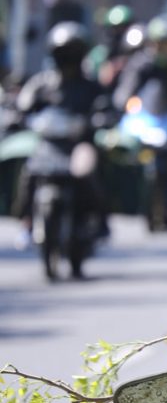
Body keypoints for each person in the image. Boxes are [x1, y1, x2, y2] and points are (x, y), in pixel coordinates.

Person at [13, 22, 111, 255]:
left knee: (88, 174)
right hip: (49, 144)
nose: (68, 59)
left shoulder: (90, 86)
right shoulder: (42, 83)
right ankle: (26, 222)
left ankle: (99, 222)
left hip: (79, 145)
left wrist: (101, 118)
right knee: (29, 172)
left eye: (72, 53)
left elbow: (106, 107)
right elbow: (23, 104)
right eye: (63, 53)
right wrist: (17, 114)